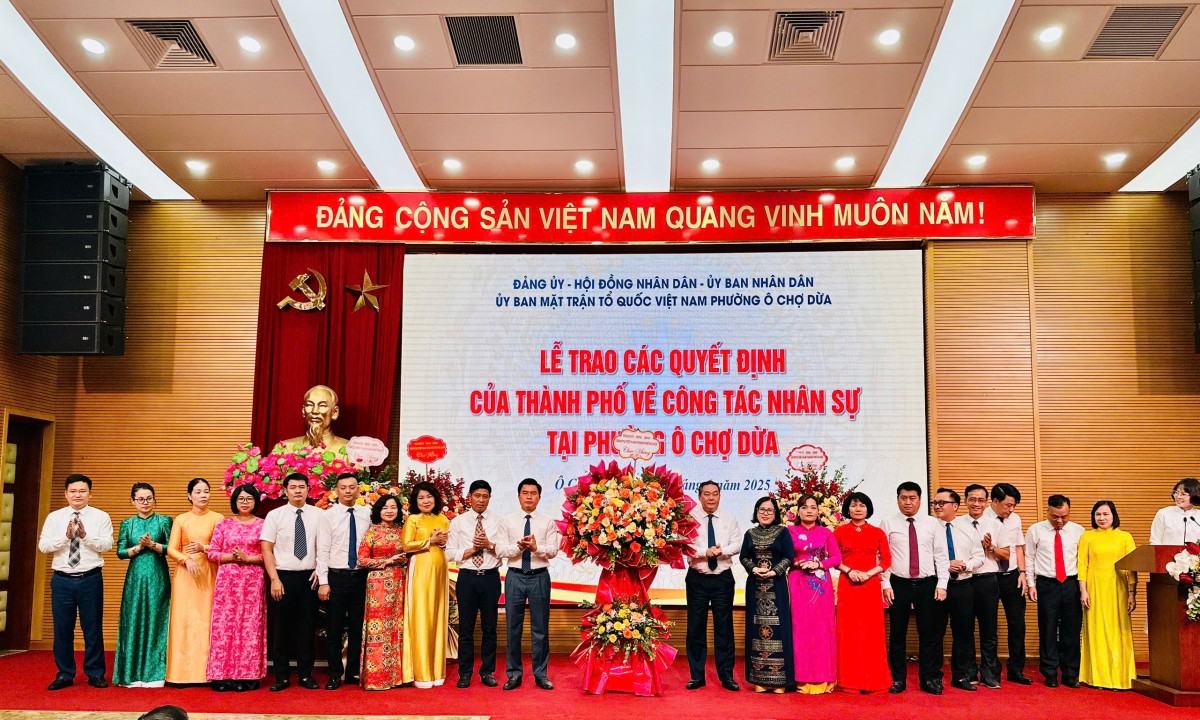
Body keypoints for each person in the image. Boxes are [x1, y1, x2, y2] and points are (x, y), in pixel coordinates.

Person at [39, 473, 114, 690]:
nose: (77, 495)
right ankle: (65, 674)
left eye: (82, 491)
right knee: (62, 629)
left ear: (90, 493)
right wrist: (65, 537)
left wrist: (85, 536)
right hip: (62, 580)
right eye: (73, 491)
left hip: (90, 578)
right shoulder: (54, 517)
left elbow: (107, 545)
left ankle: (95, 673)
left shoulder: (101, 517)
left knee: (92, 628)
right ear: (66, 494)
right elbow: (43, 546)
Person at [261, 472, 331, 691]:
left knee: (306, 628)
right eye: (293, 487)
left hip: (309, 577)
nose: (298, 491)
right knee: (281, 629)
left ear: (308, 489)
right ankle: (281, 677)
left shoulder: (319, 515)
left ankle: (305, 675)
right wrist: (274, 579)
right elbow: (266, 549)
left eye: (302, 487)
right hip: (283, 577)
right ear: (286, 491)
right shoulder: (275, 515)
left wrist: (320, 571)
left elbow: (324, 547)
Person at [880, 481, 948, 695]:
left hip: (927, 584)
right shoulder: (887, 523)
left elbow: (941, 555)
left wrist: (942, 584)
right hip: (898, 584)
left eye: (912, 498)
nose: (908, 502)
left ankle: (928, 679)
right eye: (903, 498)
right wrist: (885, 583)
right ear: (897, 500)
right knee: (897, 634)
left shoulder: (933, 524)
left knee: (928, 634)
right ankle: (897, 679)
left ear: (920, 500)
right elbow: (881, 556)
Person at [497, 478, 560, 691]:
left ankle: (541, 674)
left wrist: (535, 548)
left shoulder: (547, 522)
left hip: (539, 576)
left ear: (539, 497)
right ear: (518, 496)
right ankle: (514, 674)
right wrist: (518, 547)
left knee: (540, 629)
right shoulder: (507, 521)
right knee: (512, 628)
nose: (529, 497)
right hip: (515, 576)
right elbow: (500, 550)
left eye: (533, 493)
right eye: (525, 493)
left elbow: (553, 550)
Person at [206, 484, 266, 692]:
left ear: (256, 502)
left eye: (249, 499)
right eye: (241, 499)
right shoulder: (223, 524)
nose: (245, 502)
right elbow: (212, 553)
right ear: (234, 502)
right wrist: (232, 556)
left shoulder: (263, 525)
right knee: (224, 627)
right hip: (227, 582)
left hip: (252, 581)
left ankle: (248, 676)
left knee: (250, 626)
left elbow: (269, 554)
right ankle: (221, 676)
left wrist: (247, 558)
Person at [447, 480, 505, 688]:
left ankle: (487, 672)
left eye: (485, 496)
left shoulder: (499, 521)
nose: (481, 500)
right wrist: (471, 550)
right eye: (477, 496)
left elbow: (506, 549)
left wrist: (489, 545)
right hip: (467, 578)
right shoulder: (458, 522)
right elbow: (448, 553)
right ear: (469, 497)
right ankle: (465, 673)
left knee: (490, 627)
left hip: (490, 577)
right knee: (466, 628)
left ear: (490, 498)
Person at [113, 482, 172, 687]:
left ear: (154, 500)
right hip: (135, 578)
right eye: (140, 499)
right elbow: (120, 552)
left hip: (158, 576)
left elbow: (172, 548)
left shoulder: (164, 521)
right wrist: (139, 547)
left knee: (157, 620)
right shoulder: (127, 523)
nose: (145, 502)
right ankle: (131, 674)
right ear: (133, 501)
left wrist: (152, 545)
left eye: (148, 498)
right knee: (133, 619)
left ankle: (154, 674)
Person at [165, 478, 223, 684]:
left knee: (207, 620)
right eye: (198, 492)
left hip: (209, 572)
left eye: (206, 491)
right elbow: (171, 549)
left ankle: (207, 673)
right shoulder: (181, 519)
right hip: (185, 576)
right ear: (189, 495)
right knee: (183, 620)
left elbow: (221, 547)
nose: (203, 495)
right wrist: (186, 559)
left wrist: (204, 548)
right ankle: (180, 674)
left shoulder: (218, 518)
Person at [833, 491, 891, 693]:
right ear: (847, 508)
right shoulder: (839, 531)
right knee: (848, 632)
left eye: (862, 505)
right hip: (848, 584)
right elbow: (833, 558)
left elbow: (886, 560)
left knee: (871, 632)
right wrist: (849, 571)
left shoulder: (877, 532)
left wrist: (868, 574)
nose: (858, 509)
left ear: (868, 509)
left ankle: (873, 681)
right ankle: (849, 681)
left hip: (870, 585)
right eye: (854, 505)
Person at [1026, 494, 1085, 688]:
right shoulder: (1035, 530)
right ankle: (1050, 672)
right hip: (1046, 584)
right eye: (1055, 517)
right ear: (1047, 511)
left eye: (1064, 516)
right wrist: (1031, 584)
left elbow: (1084, 561)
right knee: (1048, 628)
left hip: (1071, 583)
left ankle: (1071, 673)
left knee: (1072, 630)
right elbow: (1029, 558)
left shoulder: (1079, 531)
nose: (1059, 521)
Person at [319, 472, 372, 690]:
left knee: (358, 627)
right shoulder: (328, 516)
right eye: (343, 487)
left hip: (361, 576)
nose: (348, 491)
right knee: (334, 628)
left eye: (352, 487)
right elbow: (322, 550)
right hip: (337, 577)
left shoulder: (367, 513)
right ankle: (334, 674)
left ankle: (352, 672)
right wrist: (323, 581)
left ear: (358, 489)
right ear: (337, 491)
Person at [1078, 500, 1137, 690]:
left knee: (1119, 631)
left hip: (1118, 588)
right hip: (1094, 589)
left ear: (1113, 516)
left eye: (1106, 514)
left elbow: (1132, 567)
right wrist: (1083, 590)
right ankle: (1097, 678)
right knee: (1096, 631)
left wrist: (1132, 593)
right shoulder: (1087, 537)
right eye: (1098, 514)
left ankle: (1121, 678)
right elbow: (1082, 565)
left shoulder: (1125, 537)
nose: (1102, 518)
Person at [739, 497, 794, 693]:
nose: (765, 513)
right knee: (756, 628)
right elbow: (744, 556)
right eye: (762, 510)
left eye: (770, 510)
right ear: (756, 512)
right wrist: (754, 569)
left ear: (776, 513)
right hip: (755, 586)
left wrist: (774, 571)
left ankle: (779, 681)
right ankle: (760, 680)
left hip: (776, 585)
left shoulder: (783, 532)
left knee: (780, 628)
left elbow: (789, 556)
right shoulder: (749, 533)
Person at [931, 488, 984, 692]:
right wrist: (945, 565)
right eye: (935, 503)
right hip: (938, 586)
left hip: (963, 585)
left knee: (963, 632)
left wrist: (965, 565)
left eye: (942, 503)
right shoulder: (929, 528)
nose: (937, 506)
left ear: (955, 506)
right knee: (935, 633)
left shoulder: (968, 528)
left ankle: (960, 676)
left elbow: (979, 557)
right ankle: (934, 677)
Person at [788, 493, 841, 694]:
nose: (809, 511)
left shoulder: (826, 532)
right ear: (798, 511)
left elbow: (836, 557)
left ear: (819, 511)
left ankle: (822, 678)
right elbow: (784, 556)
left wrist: (819, 564)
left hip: (820, 585)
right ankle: (801, 678)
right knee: (800, 628)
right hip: (798, 582)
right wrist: (797, 562)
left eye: (813, 507)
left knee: (821, 630)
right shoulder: (789, 532)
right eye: (804, 507)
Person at [401, 482, 451, 688]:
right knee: (421, 616)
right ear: (415, 501)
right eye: (421, 498)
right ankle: (421, 673)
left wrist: (442, 542)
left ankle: (437, 671)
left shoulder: (443, 519)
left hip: (440, 570)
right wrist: (429, 541)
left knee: (438, 617)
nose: (426, 501)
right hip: (420, 571)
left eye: (429, 497)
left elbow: (448, 544)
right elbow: (406, 546)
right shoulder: (412, 519)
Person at [358, 494, 408, 690]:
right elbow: (361, 560)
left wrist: (403, 560)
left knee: (398, 627)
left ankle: (396, 677)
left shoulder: (404, 532)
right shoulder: (372, 532)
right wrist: (386, 561)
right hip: (378, 584)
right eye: (385, 507)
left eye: (393, 507)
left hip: (400, 582)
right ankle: (376, 678)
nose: (389, 511)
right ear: (378, 511)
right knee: (378, 629)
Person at [962, 483, 1009, 689]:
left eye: (981, 500)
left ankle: (989, 672)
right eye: (972, 499)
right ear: (965, 501)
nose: (976, 504)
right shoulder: (956, 524)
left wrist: (990, 547)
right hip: (964, 580)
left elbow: (1006, 554)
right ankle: (969, 670)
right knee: (966, 628)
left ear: (987, 502)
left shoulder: (996, 524)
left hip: (988, 580)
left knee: (989, 629)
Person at [985, 482, 1032, 685]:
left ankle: (1016, 669)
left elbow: (1019, 547)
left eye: (1014, 506)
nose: (1011, 509)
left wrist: (1022, 572)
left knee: (1017, 624)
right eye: (1008, 505)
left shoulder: (1015, 519)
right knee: (990, 626)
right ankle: (992, 671)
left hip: (1012, 576)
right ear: (995, 501)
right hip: (990, 576)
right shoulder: (982, 519)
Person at [279, 384, 349, 455]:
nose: (315, 411)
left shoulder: (350, 450)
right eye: (309, 405)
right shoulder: (284, 449)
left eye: (322, 405)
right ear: (303, 411)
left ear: (335, 412)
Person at [1149, 478, 1200, 545]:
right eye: (1176, 492)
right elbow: (1155, 541)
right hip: (1167, 552)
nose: (1178, 497)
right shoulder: (1164, 513)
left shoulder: (1198, 516)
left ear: (1194, 495)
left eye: (1183, 494)